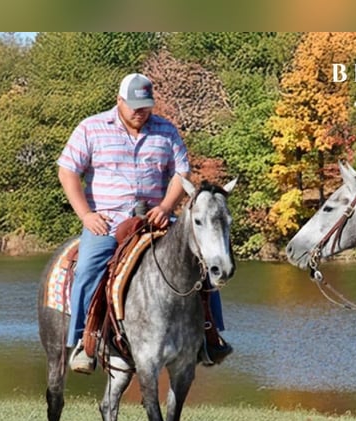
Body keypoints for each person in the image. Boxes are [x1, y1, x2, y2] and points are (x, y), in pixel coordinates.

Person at [58, 73, 231, 374]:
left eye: (145, 106)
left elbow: (181, 174)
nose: (141, 112)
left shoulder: (166, 130)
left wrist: (166, 206)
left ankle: (210, 337)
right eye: (134, 106)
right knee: (87, 268)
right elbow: (68, 171)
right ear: (119, 100)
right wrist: (86, 215)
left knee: (203, 263)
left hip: (157, 218)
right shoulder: (91, 128)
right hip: (109, 220)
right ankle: (83, 341)